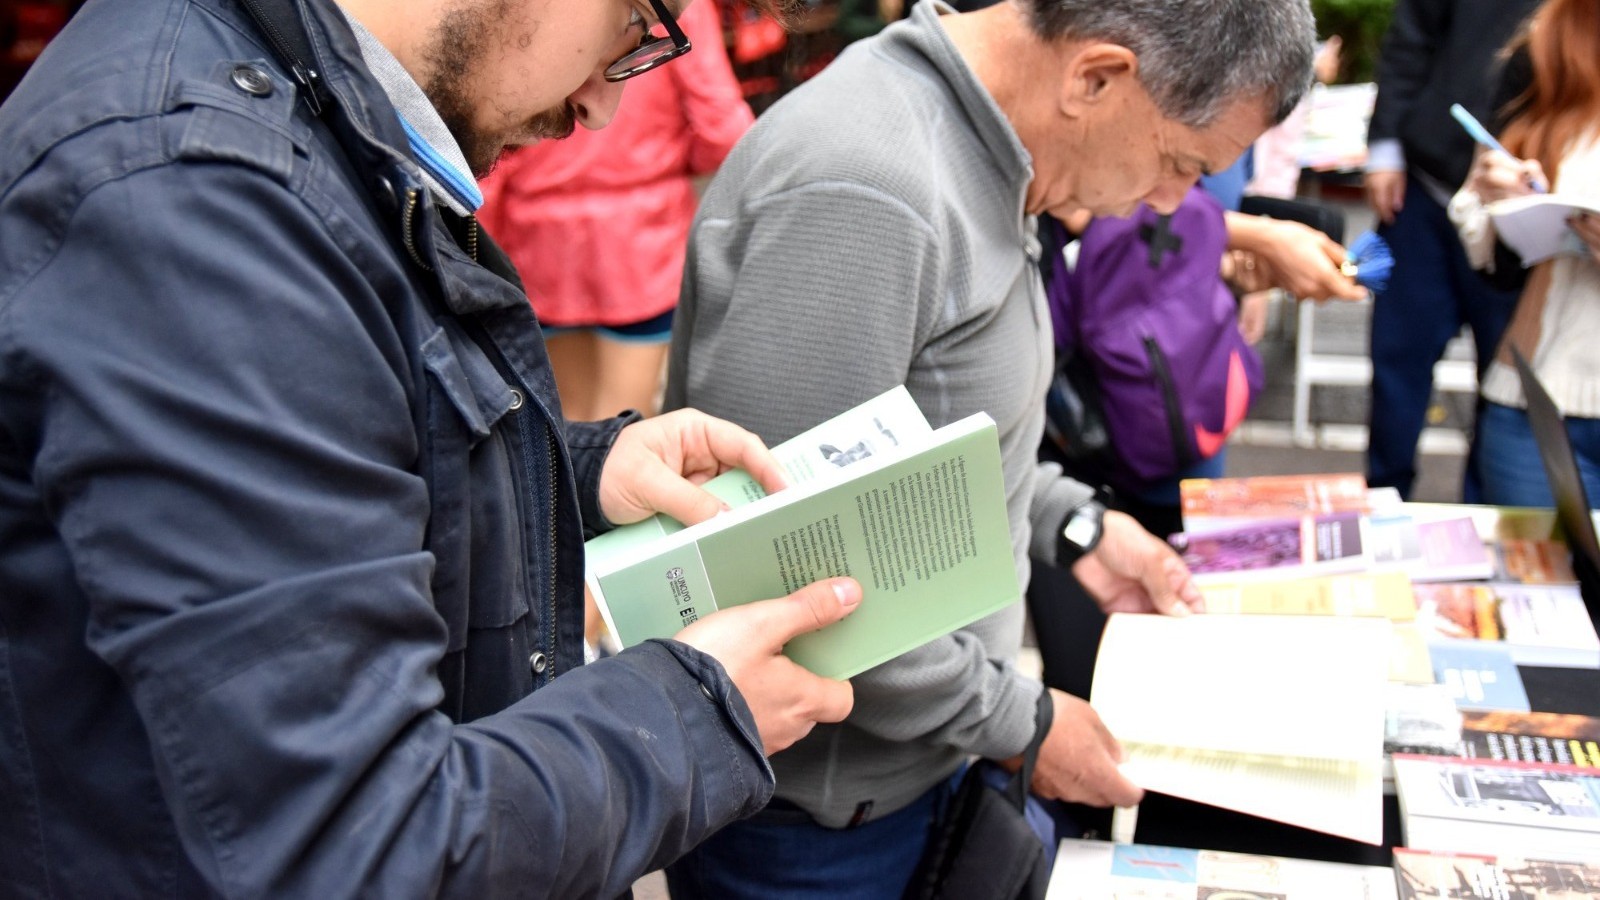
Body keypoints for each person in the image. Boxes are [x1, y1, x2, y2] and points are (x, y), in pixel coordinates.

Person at [0, 0, 869, 895]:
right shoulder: (189, 199)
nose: (606, 106)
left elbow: (343, 462)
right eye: (638, 22)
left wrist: (584, 471)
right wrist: (695, 712)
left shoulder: (292, 114)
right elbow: (363, 847)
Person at [660, 0, 1316, 895]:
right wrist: (1022, 720)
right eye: (1180, 165)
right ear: (1096, 77)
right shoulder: (869, 187)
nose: (1171, 204)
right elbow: (778, 568)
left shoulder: (986, 149)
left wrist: (1075, 526)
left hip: (910, 783)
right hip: (820, 829)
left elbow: (928, 445)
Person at [478, 0, 752, 422]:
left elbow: (494, 139)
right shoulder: (678, 8)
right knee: (626, 428)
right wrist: (668, 166)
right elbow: (723, 129)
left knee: (566, 425)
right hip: (641, 245)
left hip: (542, 246)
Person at [1363, 0, 1539, 500]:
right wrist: (1386, 146)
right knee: (1398, 362)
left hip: (1519, 205)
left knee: (1505, 385)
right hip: (1429, 185)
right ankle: (1383, 503)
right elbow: (1408, 40)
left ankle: (1489, 526)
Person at [1446, 0, 1600, 507]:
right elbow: (1499, 270)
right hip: (1538, 403)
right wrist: (1504, 200)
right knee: (1529, 582)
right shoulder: (1554, 42)